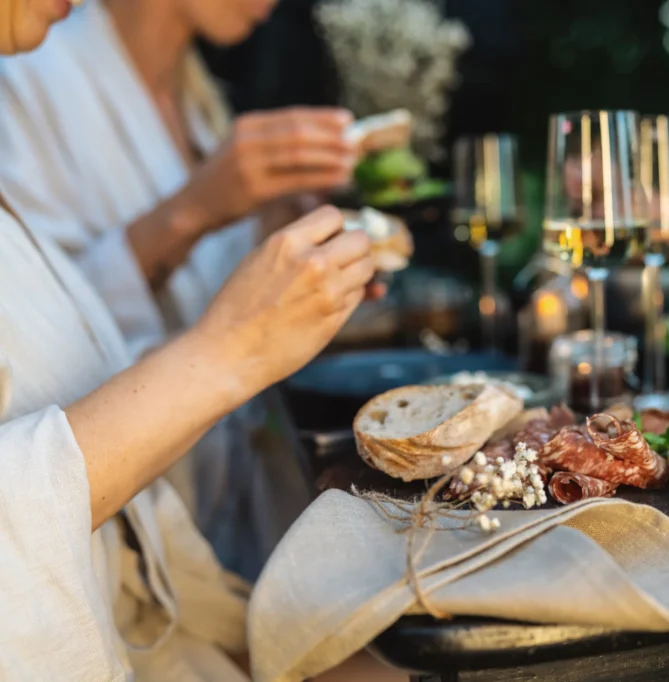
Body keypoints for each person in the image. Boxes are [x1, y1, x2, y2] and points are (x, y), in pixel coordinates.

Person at [0, 1, 406, 679]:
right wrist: (231, 344)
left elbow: (50, 335)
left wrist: (277, 241)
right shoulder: (33, 79)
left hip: (199, 557)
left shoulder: (201, 100)